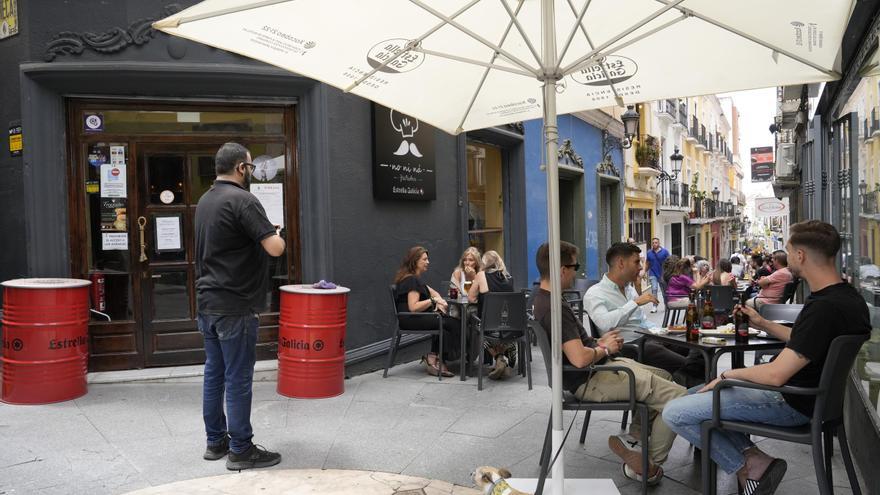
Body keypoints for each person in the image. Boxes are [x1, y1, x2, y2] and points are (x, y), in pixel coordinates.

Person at [663, 220, 871, 495]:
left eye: (788, 249)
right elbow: (810, 342)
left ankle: (748, 466)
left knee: (675, 412)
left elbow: (775, 375)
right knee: (692, 397)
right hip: (813, 398)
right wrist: (763, 323)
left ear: (800, 256)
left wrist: (726, 376)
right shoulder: (848, 299)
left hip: (790, 400)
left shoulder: (823, 308)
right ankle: (755, 461)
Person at [533, 240, 686, 485]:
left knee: (667, 377)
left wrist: (597, 341)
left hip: (597, 370)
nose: (577, 272)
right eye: (575, 266)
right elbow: (580, 358)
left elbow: (577, 345)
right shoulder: (555, 308)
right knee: (680, 398)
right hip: (591, 379)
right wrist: (604, 348)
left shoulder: (544, 298)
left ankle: (634, 440)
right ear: (562, 269)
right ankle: (649, 464)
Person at [195, 142, 286, 470]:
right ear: (241, 168)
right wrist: (276, 233)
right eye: (249, 167)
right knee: (237, 377)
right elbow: (275, 249)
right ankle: (241, 449)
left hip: (207, 303)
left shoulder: (205, 200)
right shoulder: (244, 200)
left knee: (214, 374)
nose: (251, 172)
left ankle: (215, 442)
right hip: (235, 304)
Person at [585, 242, 686, 376]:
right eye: (636, 262)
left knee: (695, 350)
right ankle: (695, 391)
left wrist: (663, 331)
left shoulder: (629, 289)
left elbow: (642, 321)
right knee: (686, 364)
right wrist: (635, 303)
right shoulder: (595, 293)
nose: (640, 267)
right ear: (621, 263)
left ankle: (697, 388)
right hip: (629, 347)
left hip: (648, 339)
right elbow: (604, 323)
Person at [394, 246, 460, 377]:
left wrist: (440, 301)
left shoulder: (413, 278)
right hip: (409, 319)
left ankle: (434, 358)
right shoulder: (411, 280)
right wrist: (433, 301)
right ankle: (445, 357)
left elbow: (432, 291)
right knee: (452, 323)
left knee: (445, 322)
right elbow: (413, 307)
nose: (428, 262)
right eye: (425, 259)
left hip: (412, 318)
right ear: (415, 261)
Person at [467, 250, 516, 379]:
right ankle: (505, 350)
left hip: (488, 325)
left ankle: (498, 357)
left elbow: (471, 298)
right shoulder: (509, 278)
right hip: (510, 325)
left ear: (484, 263)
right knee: (495, 328)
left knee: (477, 328)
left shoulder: (481, 275)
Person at [645, 238, 670, 313]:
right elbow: (647, 263)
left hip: (662, 274)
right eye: (653, 243)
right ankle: (654, 306)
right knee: (654, 289)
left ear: (659, 243)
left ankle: (666, 305)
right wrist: (644, 272)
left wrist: (668, 272)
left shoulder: (665, 252)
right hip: (652, 273)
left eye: (656, 242)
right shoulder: (649, 252)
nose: (654, 244)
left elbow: (669, 262)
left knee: (664, 291)